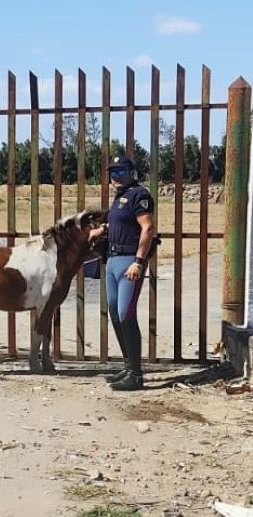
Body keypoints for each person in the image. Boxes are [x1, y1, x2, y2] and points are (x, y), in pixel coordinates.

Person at [89, 155, 157, 391]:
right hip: (113, 260)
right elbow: (120, 223)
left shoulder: (139, 195)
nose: (116, 177)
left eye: (121, 172)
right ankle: (128, 367)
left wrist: (138, 262)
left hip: (129, 261)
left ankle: (136, 375)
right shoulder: (120, 197)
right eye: (113, 173)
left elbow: (147, 228)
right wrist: (102, 229)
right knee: (115, 314)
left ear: (132, 173)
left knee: (126, 314)